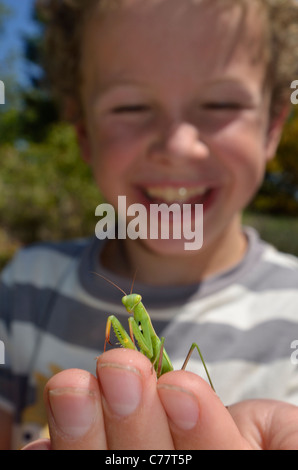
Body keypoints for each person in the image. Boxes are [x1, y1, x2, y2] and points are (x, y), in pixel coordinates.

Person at [1, 0, 298, 450]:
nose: (177, 147)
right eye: (132, 106)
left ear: (274, 128)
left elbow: (157, 361)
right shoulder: (23, 288)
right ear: (83, 132)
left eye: (220, 102)